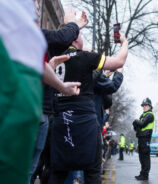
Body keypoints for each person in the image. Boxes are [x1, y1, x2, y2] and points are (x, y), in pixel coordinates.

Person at [49, 30, 128, 183]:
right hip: (84, 122)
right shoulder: (85, 57)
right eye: (78, 33)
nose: (81, 36)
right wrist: (124, 42)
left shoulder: (54, 59)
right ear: (74, 39)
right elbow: (119, 61)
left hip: (61, 121)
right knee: (92, 171)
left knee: (57, 173)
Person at [29, 4, 88, 183]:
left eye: (39, 4)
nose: (38, 7)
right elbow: (61, 38)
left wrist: (60, 84)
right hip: (29, 110)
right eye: (33, 4)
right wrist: (73, 24)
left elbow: (41, 67)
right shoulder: (23, 30)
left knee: (29, 169)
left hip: (41, 111)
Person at [133, 97, 155, 181]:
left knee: (145, 157)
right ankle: (142, 174)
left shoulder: (150, 115)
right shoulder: (143, 115)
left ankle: (145, 175)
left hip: (145, 138)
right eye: (143, 105)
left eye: (146, 105)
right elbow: (137, 128)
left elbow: (142, 124)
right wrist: (136, 124)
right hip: (141, 138)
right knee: (141, 157)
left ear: (150, 106)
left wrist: (136, 121)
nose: (144, 107)